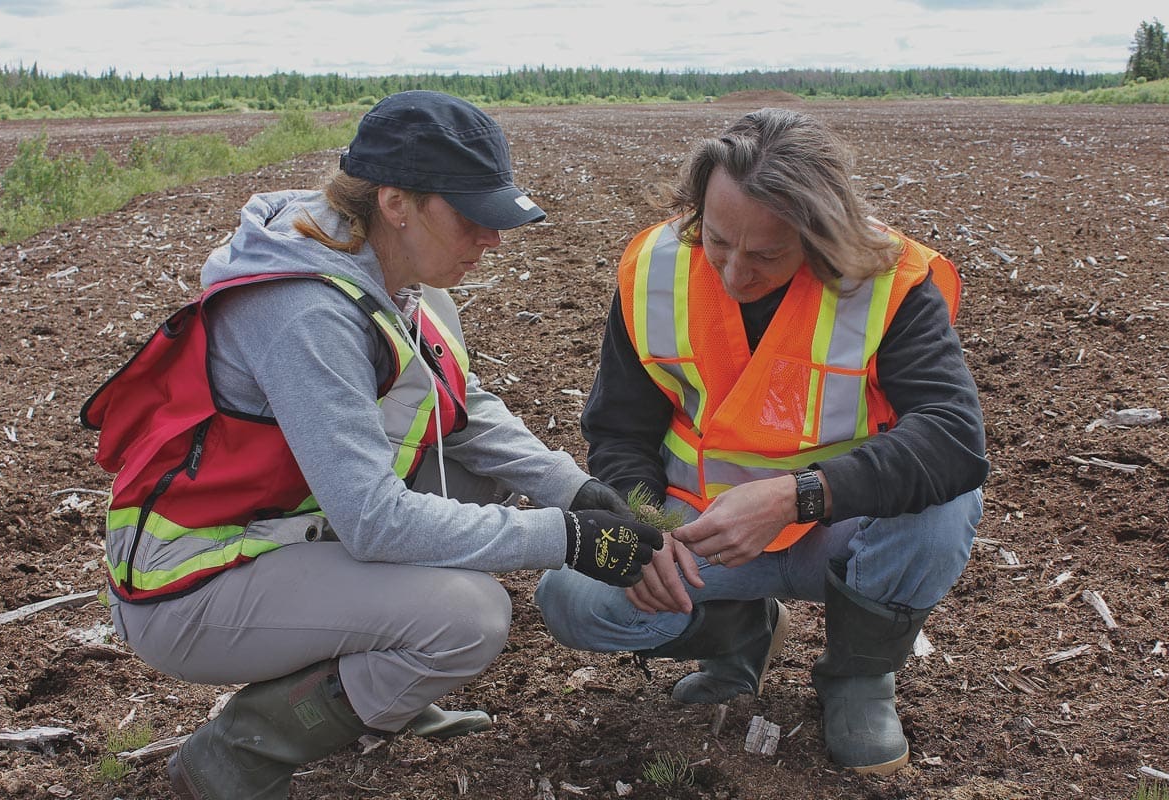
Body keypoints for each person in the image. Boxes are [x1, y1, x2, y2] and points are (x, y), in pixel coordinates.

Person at [80, 90, 662, 800]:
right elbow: (375, 520)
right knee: (467, 618)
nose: (493, 238)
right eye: (473, 216)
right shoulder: (305, 312)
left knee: (477, 487)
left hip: (277, 531)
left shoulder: (381, 269)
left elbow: (459, 406)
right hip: (192, 580)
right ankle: (237, 755)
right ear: (395, 202)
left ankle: (378, 685)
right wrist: (565, 538)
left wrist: (572, 489)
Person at [534, 107, 987, 777]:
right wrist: (645, 531)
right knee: (572, 597)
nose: (735, 273)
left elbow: (953, 437)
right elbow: (620, 430)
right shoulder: (655, 269)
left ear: (820, 232)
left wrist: (797, 497)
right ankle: (740, 634)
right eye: (718, 241)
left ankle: (858, 680)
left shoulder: (889, 281)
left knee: (946, 507)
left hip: (837, 531)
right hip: (700, 533)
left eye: (767, 254)